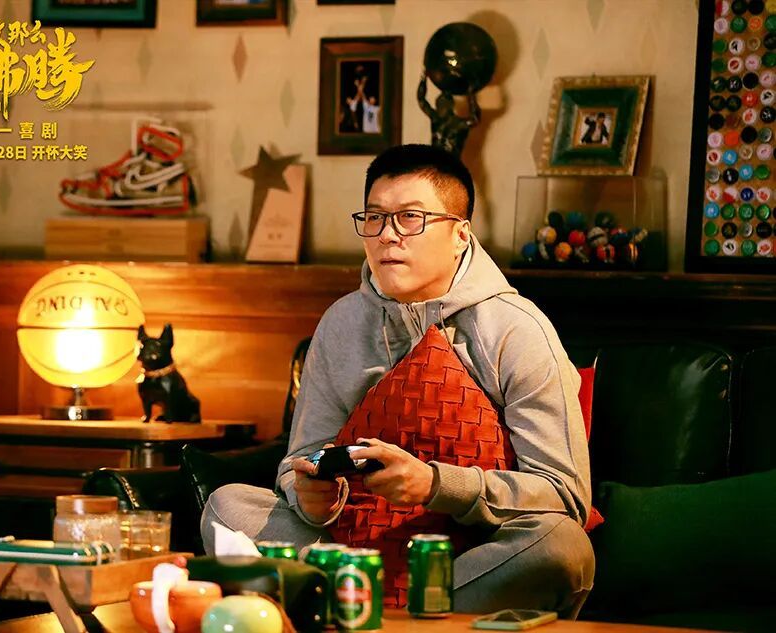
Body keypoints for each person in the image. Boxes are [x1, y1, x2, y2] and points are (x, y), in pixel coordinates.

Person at [201, 144, 595, 617]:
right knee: (227, 506)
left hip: (474, 556)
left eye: (410, 218)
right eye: (374, 218)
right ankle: (373, 605)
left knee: (560, 545)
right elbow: (301, 459)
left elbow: (563, 494)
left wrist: (435, 484)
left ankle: (365, 608)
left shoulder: (517, 329)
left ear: (460, 235)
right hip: (354, 543)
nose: (387, 235)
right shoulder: (342, 323)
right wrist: (311, 496)